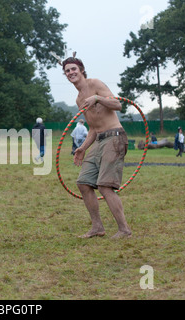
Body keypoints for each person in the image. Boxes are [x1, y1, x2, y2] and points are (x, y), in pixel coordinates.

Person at [62, 54, 131, 239]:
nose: (70, 73)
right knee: (83, 183)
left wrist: (97, 98)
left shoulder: (95, 84)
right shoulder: (79, 99)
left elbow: (118, 105)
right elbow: (92, 128)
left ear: (81, 70)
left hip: (115, 137)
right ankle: (97, 227)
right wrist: (82, 148)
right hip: (99, 140)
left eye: (73, 69)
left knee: (104, 186)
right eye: (67, 71)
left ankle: (124, 229)